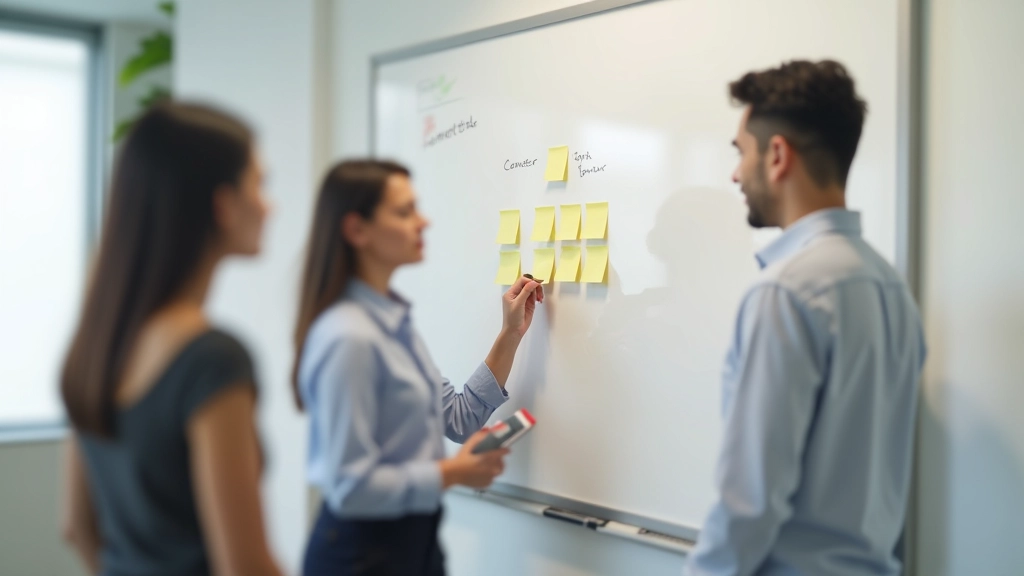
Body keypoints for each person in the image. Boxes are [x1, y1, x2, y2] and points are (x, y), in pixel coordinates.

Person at [685, 60, 926, 576]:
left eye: (739, 152)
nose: (734, 173)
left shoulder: (786, 293)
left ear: (776, 156)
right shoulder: (889, 284)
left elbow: (748, 502)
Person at [59, 103, 284, 576]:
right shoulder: (211, 360)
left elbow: (77, 527)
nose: (269, 205)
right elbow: (244, 568)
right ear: (222, 205)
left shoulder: (97, 346)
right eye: (259, 184)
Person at [293, 160, 544, 576]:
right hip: (361, 556)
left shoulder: (393, 323)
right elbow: (350, 488)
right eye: (404, 212)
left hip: (414, 546)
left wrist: (511, 334)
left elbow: (459, 418)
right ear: (358, 230)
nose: (423, 222)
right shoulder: (349, 336)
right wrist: (453, 472)